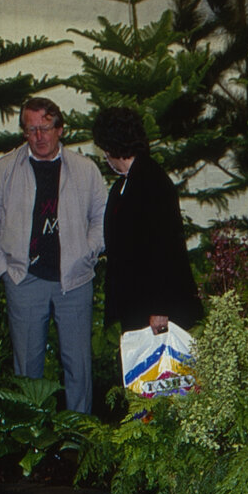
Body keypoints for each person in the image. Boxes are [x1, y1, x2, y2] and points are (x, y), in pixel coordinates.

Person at [0, 96, 108, 413]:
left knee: (78, 364)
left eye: (45, 128)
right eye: (31, 129)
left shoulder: (85, 170)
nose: (39, 136)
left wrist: (87, 254)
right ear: (24, 131)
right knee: (27, 366)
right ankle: (32, 435)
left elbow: (102, 218)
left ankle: (78, 431)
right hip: (25, 279)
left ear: (60, 129)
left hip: (74, 281)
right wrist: (2, 269)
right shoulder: (4, 170)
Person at [91, 106, 203, 336]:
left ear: (111, 145)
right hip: (135, 300)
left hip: (155, 307)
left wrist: (160, 308)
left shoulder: (152, 181)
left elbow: (165, 247)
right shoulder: (122, 184)